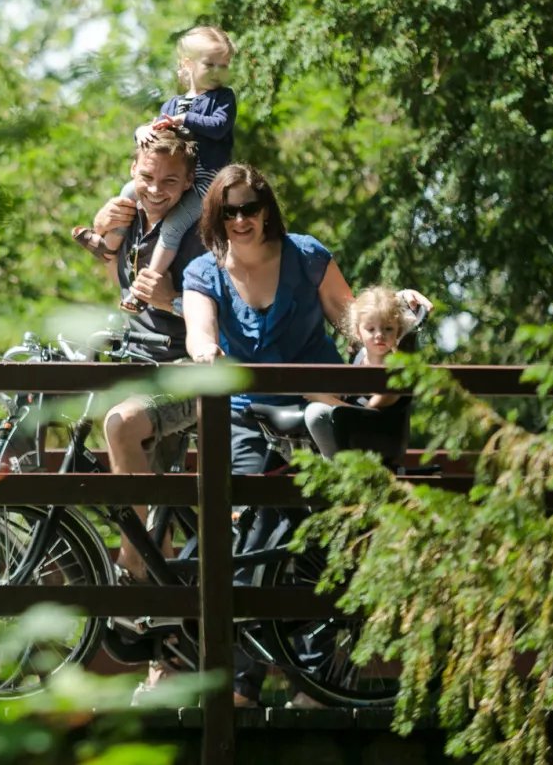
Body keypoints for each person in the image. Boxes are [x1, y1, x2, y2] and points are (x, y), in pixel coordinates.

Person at [177, 163, 428, 707]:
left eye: (250, 207)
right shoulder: (202, 272)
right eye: (230, 210)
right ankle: (239, 684)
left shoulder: (307, 255)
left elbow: (353, 323)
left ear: (266, 208)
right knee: (241, 537)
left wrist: (394, 327)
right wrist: (206, 353)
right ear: (215, 216)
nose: (241, 219)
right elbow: (199, 332)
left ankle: (316, 684)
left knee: (321, 536)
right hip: (245, 415)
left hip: (320, 409)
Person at [86, 133, 209, 581]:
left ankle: (132, 560)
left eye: (170, 181)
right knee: (161, 513)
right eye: (147, 177)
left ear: (190, 180)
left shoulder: (199, 233)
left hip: (191, 370)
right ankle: (166, 621)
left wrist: (171, 301)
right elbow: (119, 280)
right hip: (136, 363)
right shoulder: (129, 216)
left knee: (120, 425)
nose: (156, 189)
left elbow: (232, 313)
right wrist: (101, 233)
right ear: (132, 170)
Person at [72, 26, 238, 312]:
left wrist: (184, 119)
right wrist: (143, 130)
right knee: (127, 191)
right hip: (179, 176)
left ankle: (146, 286)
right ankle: (108, 247)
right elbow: (159, 135)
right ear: (187, 65)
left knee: (173, 226)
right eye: (209, 64)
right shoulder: (172, 103)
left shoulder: (222, 99)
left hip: (204, 182)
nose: (217, 72)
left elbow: (219, 126)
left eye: (223, 66)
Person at [303, 286, 432, 465]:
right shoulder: (360, 356)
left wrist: (326, 400)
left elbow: (367, 415)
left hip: (376, 436)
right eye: (371, 329)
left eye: (388, 329)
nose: (379, 335)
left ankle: (335, 471)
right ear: (358, 332)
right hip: (350, 429)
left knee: (316, 413)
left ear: (398, 331)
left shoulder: (395, 371)